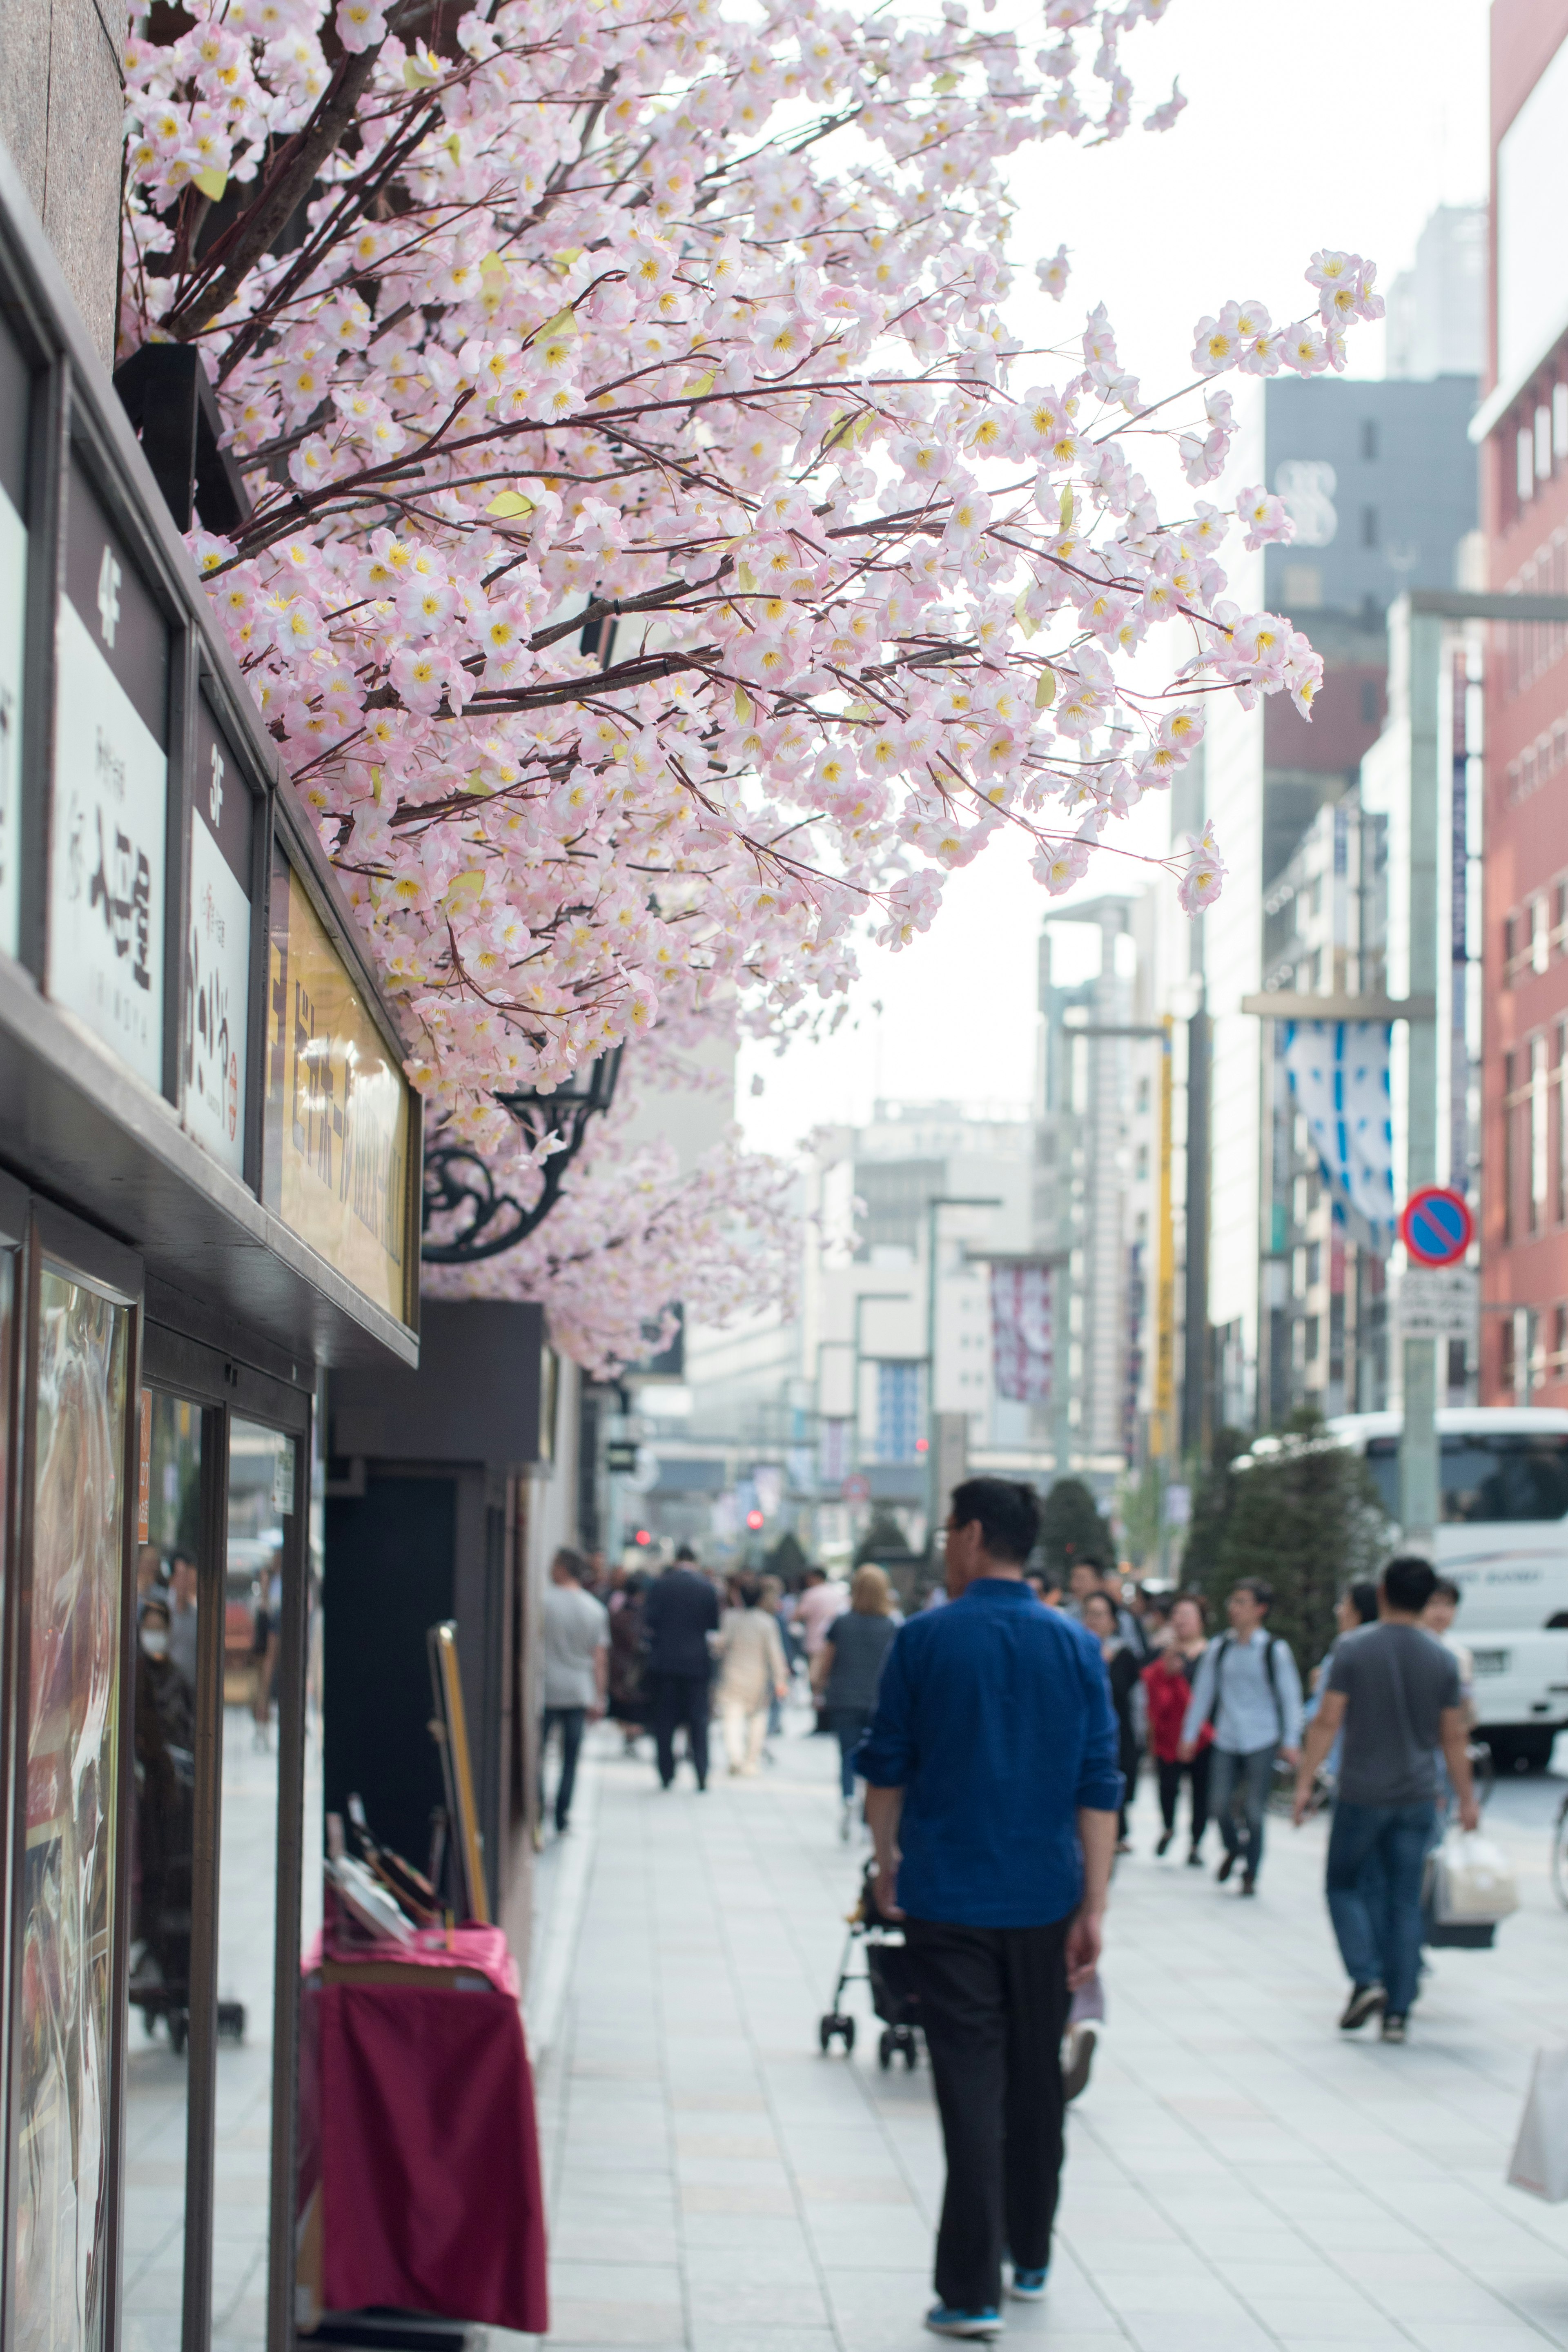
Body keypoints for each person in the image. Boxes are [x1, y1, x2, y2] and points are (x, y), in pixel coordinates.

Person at [860, 1477, 1120, 2339]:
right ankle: (1031, 2252)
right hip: (1046, 1896)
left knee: (970, 2083)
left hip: (950, 1896)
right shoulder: (1077, 1646)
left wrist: (886, 1860)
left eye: (947, 1531)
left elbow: (887, 1765)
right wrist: (1095, 1905)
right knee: (1035, 2077)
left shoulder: (925, 1640)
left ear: (972, 1536)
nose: (943, 1544)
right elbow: (1098, 1787)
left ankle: (971, 2291)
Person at [1293, 1555, 1479, 2044]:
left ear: (1382, 1593)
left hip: (1362, 1791)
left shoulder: (1353, 1649)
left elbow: (1328, 1720)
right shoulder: (1441, 1658)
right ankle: (1398, 2010)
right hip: (1419, 1794)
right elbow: (1453, 1737)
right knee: (1403, 1900)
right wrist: (1467, 1799)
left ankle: (1366, 1977)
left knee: (1344, 1885)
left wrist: (1305, 1782)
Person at [1179, 1577, 1302, 1896]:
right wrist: (1190, 1734)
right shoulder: (1220, 1648)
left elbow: (1290, 1698)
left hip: (1263, 1736)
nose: (1234, 1609)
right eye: (1233, 1602)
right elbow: (1203, 1693)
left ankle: (1251, 1871)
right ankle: (1234, 1848)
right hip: (1227, 1736)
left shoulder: (1274, 1650)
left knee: (1254, 1809)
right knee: (1218, 1804)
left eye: (1242, 1602)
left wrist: (1291, 1740)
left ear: (1260, 1609)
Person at [813, 1564, 900, 1836]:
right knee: (875, 1758)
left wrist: (818, 1687)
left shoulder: (842, 1623)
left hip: (844, 1699)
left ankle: (849, 1798)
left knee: (847, 1755)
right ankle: (867, 1813)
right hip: (879, 1702)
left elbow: (827, 1660)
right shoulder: (892, 1626)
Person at [540, 1547, 609, 1833]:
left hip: (544, 1687)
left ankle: (536, 1812)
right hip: (579, 1689)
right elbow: (599, 1658)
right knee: (571, 1757)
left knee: (539, 1754)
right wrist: (599, 1696)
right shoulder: (594, 1608)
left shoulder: (543, 1602)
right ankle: (562, 1815)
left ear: (561, 1569)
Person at [642, 1546, 721, 1790]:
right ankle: (701, 1772)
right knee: (699, 1721)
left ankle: (666, 1774)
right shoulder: (707, 1587)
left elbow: (649, 1621)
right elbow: (713, 1624)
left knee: (664, 1720)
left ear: (676, 1560)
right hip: (697, 1663)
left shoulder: (660, 1585)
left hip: (664, 1662)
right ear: (695, 1561)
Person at [1143, 1605, 1212, 1862]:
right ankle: (1168, 1827)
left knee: (1200, 1790)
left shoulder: (1212, 1653)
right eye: (1176, 1616)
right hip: (1169, 1733)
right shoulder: (1162, 1651)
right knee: (1168, 1786)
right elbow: (1147, 1685)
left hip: (1203, 1734)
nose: (1180, 1621)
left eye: (1187, 1616)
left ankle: (1196, 1843)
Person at [713, 1574, 789, 1776]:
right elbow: (775, 1654)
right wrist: (780, 1679)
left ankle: (735, 1758)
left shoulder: (730, 1618)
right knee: (757, 1719)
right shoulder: (767, 1622)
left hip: (733, 1674)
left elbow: (720, 1645)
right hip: (758, 1677)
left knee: (731, 1718)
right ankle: (750, 1760)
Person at [1082, 1593, 1140, 1853]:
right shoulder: (1074, 1652)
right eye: (1090, 1613)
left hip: (1119, 1732)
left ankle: (1110, 1842)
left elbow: (1129, 1693)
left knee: (1113, 1787)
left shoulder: (1124, 1656)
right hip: (1082, 1733)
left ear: (1113, 1622)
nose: (1094, 1620)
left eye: (1100, 1614)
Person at [167, 1550, 198, 1693]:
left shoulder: (196, 1616)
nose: (184, 1582)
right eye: (180, 1576)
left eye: (187, 1576)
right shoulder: (164, 1614)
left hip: (191, 1687)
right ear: (172, 1580)